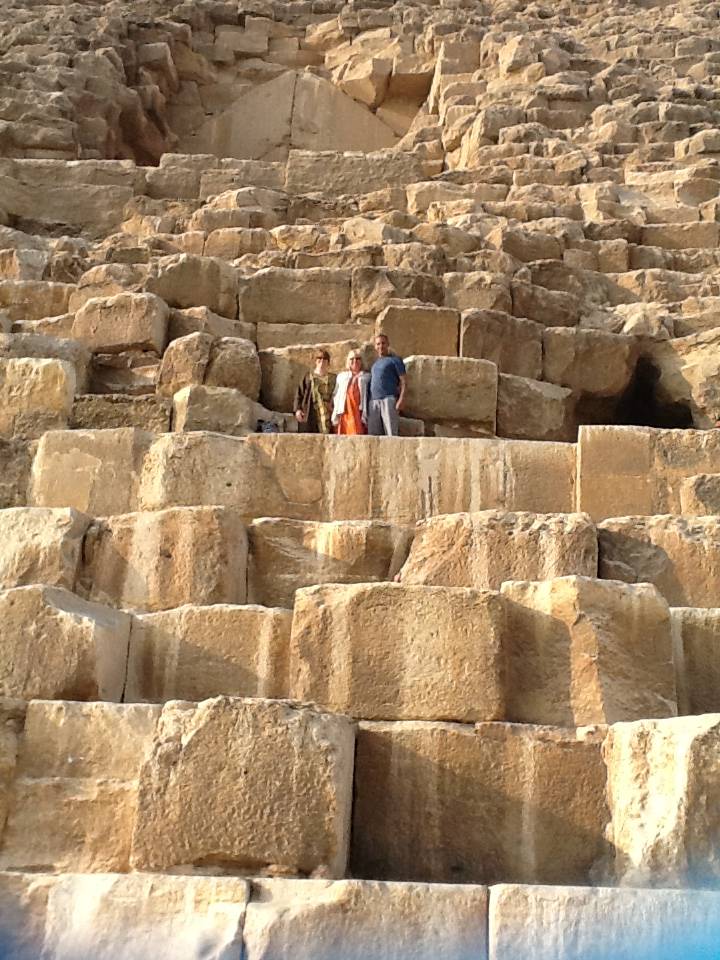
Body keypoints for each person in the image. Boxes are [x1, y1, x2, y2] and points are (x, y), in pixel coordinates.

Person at [368, 333, 406, 437]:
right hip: (374, 401)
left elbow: (403, 381)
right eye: (378, 344)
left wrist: (401, 399)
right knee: (373, 435)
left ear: (388, 344)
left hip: (388, 399)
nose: (381, 346)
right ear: (375, 346)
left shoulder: (395, 360)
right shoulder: (374, 364)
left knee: (391, 433)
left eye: (383, 343)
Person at [293, 350, 336, 434]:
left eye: (325, 359)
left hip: (328, 414)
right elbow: (299, 394)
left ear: (328, 362)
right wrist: (297, 410)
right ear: (316, 361)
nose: (322, 361)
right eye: (319, 358)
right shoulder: (307, 377)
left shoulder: (334, 378)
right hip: (310, 413)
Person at [332, 349, 370, 435]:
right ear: (348, 361)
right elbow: (335, 394)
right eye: (352, 359)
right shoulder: (341, 376)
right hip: (345, 411)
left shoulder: (367, 377)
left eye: (358, 358)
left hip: (359, 411)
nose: (355, 361)